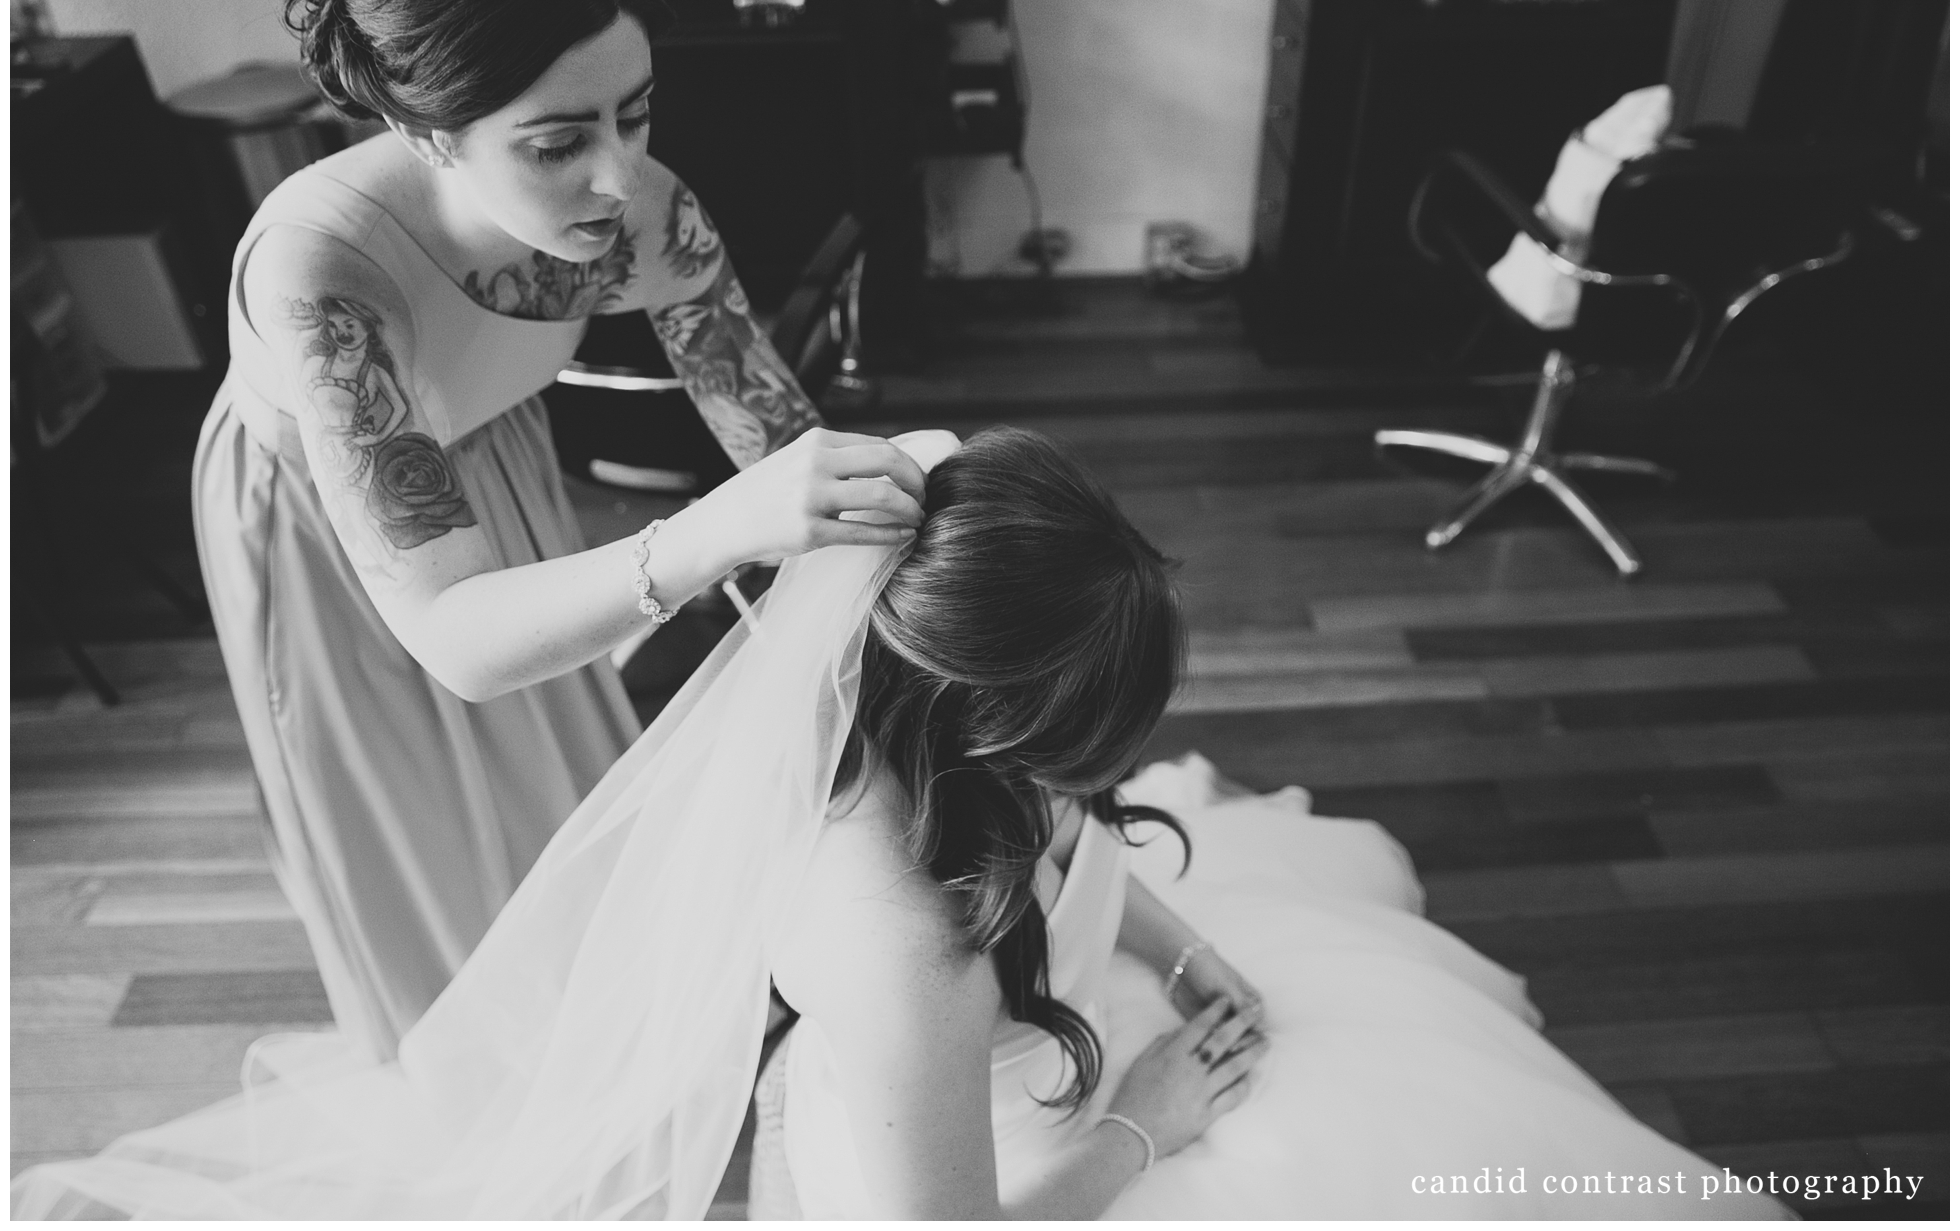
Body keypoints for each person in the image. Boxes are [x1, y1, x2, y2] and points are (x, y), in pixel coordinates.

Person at [14, 428, 1792, 1220]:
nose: (1101, 772)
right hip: (1025, 1168)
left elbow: (1080, 831)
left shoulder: (959, 730)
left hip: (1069, 1025)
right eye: (1080, 741)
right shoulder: (895, 946)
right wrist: (1153, 1122)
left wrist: (1184, 943)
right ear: (985, 713)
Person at [195, 0, 927, 1061]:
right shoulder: (320, 272)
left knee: (564, 794)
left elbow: (775, 438)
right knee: (422, 857)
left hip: (497, 465)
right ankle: (474, 1101)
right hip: (323, 539)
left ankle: (597, 1047)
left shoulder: (645, 214)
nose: (617, 176)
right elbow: (461, 636)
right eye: (554, 143)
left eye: (634, 112)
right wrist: (716, 533)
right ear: (422, 128)